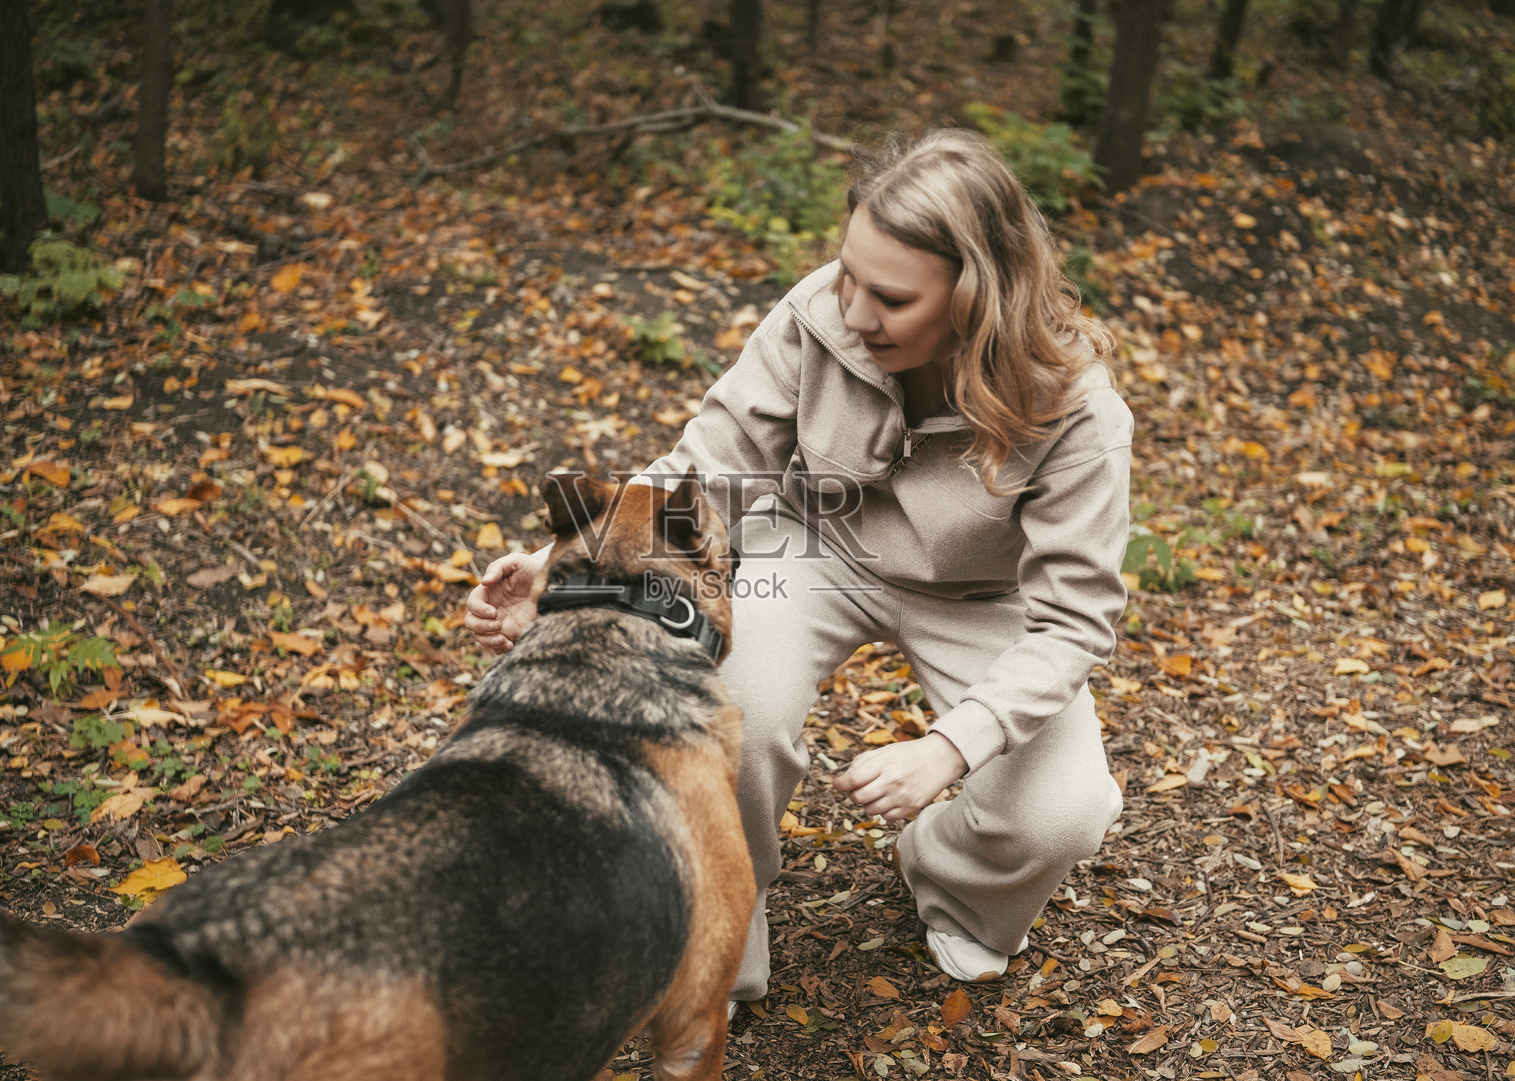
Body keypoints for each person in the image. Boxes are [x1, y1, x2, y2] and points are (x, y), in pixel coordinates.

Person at [465, 128, 1131, 1004]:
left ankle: (950, 874)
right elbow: (710, 465)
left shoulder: (1077, 409)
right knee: (731, 710)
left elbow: (1074, 621)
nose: (853, 311)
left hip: (983, 593)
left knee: (1060, 813)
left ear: (978, 296)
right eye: (848, 273)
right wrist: (566, 564)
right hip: (812, 546)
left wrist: (950, 746)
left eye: (891, 297)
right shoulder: (819, 313)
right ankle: (720, 935)